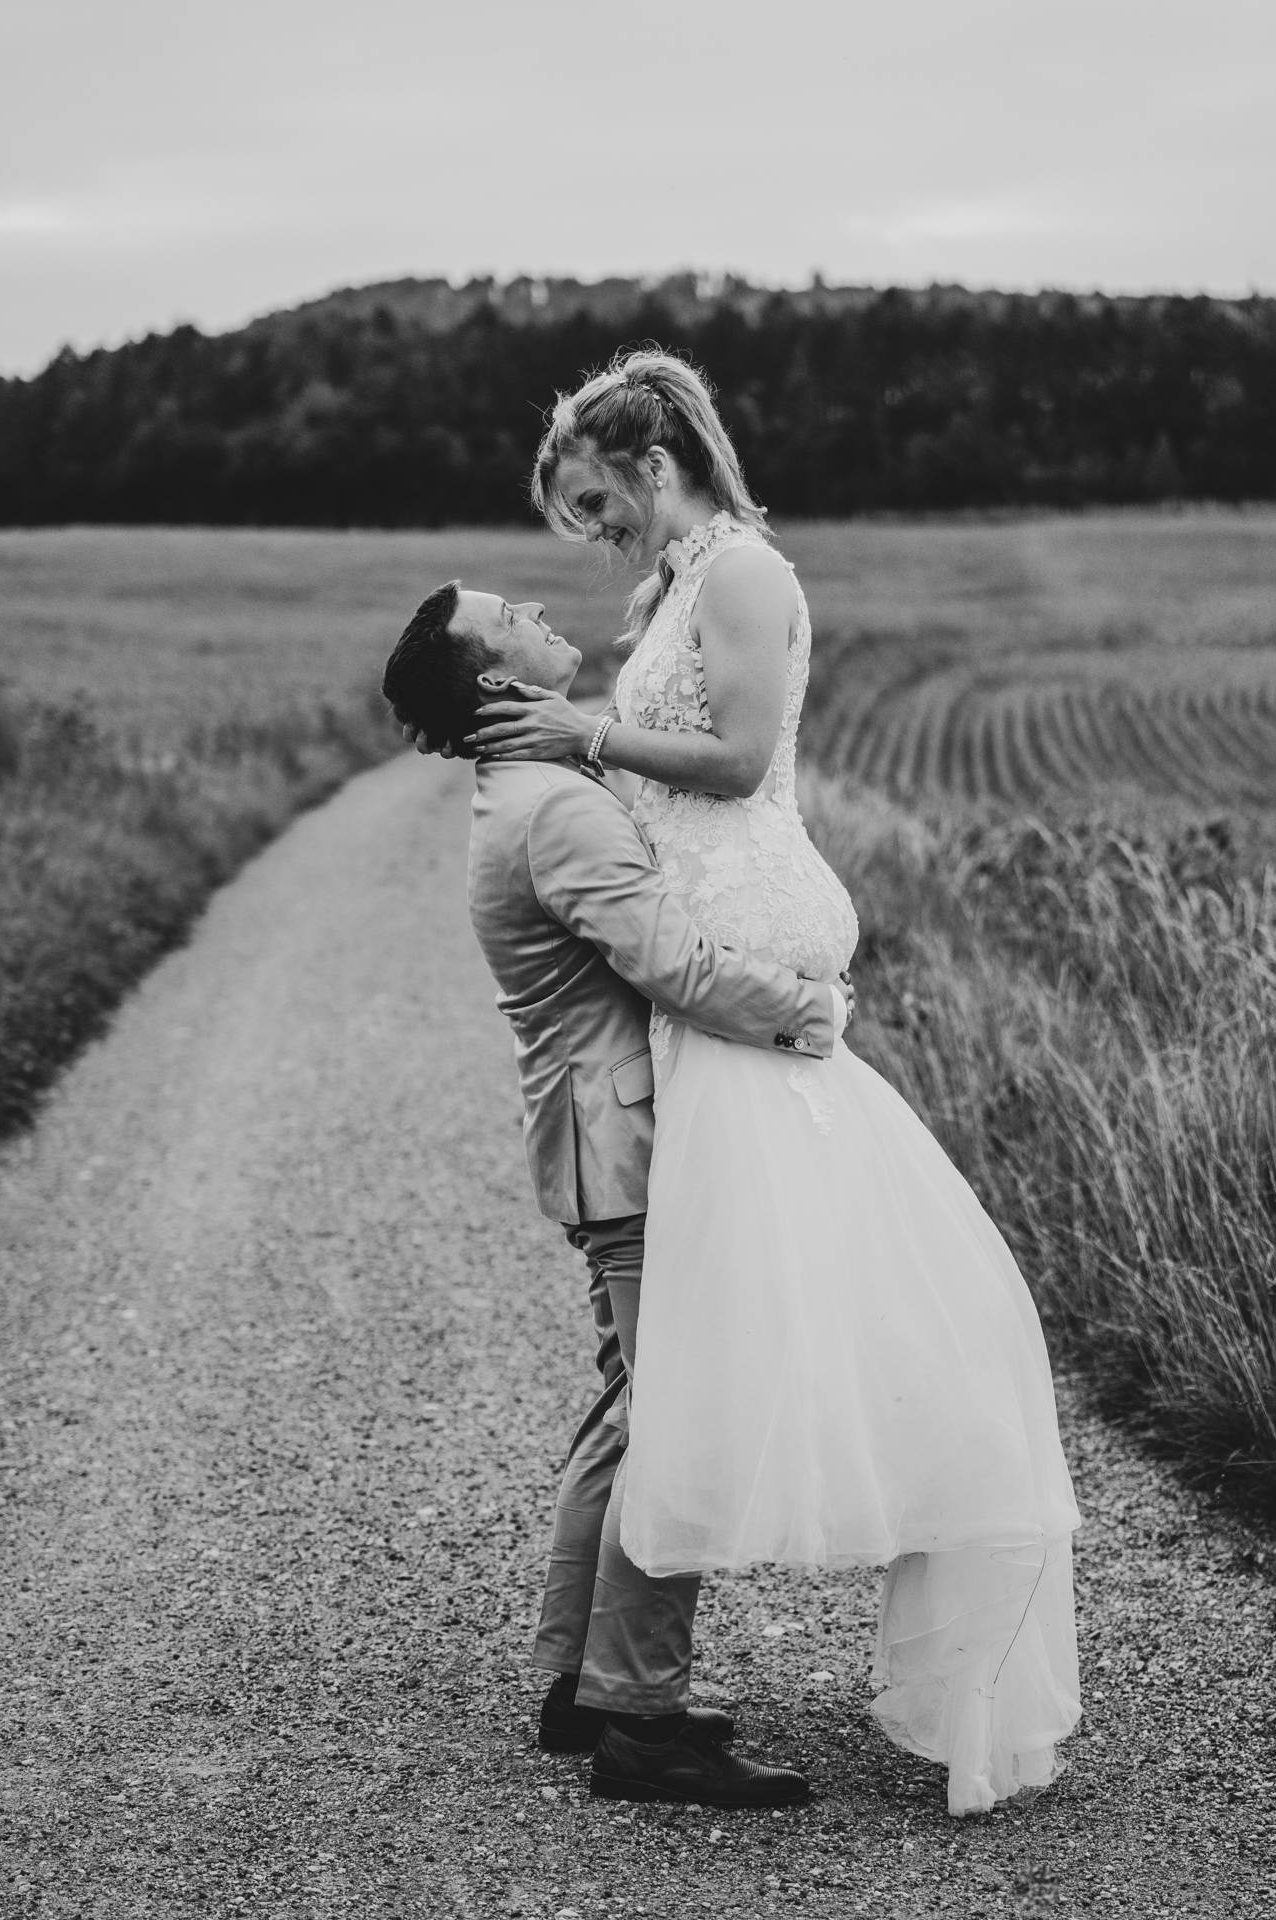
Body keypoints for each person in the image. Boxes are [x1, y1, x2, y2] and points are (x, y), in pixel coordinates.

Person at [462, 349, 1083, 1816]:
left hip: (743, 988)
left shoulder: (740, 575)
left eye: (598, 502)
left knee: (761, 1346)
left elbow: (738, 763)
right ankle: (615, 1693)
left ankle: (628, 1690)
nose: (594, 536)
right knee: (674, 1364)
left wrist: (583, 735)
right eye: (576, 519)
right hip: (708, 1000)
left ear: (656, 449)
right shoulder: (673, 583)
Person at [382, 582, 853, 1809]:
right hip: (630, 1148)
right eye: (511, 614)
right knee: (675, 1419)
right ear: (498, 684)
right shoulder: (552, 810)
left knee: (633, 1409)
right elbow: (673, 965)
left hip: (604, 1142)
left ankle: (579, 1683)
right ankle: (642, 1719)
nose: (539, 606)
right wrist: (806, 1010)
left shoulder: (527, 793)